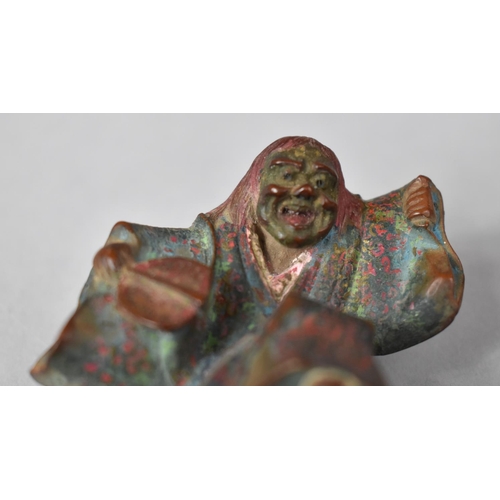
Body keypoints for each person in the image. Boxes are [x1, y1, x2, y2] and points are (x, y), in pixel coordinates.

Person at [31, 137, 464, 385]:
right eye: (286, 175)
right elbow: (151, 246)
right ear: (254, 188)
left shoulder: (359, 249)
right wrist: (122, 254)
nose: (304, 191)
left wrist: (418, 229)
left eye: (321, 183)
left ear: (340, 202)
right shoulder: (219, 242)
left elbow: (425, 297)